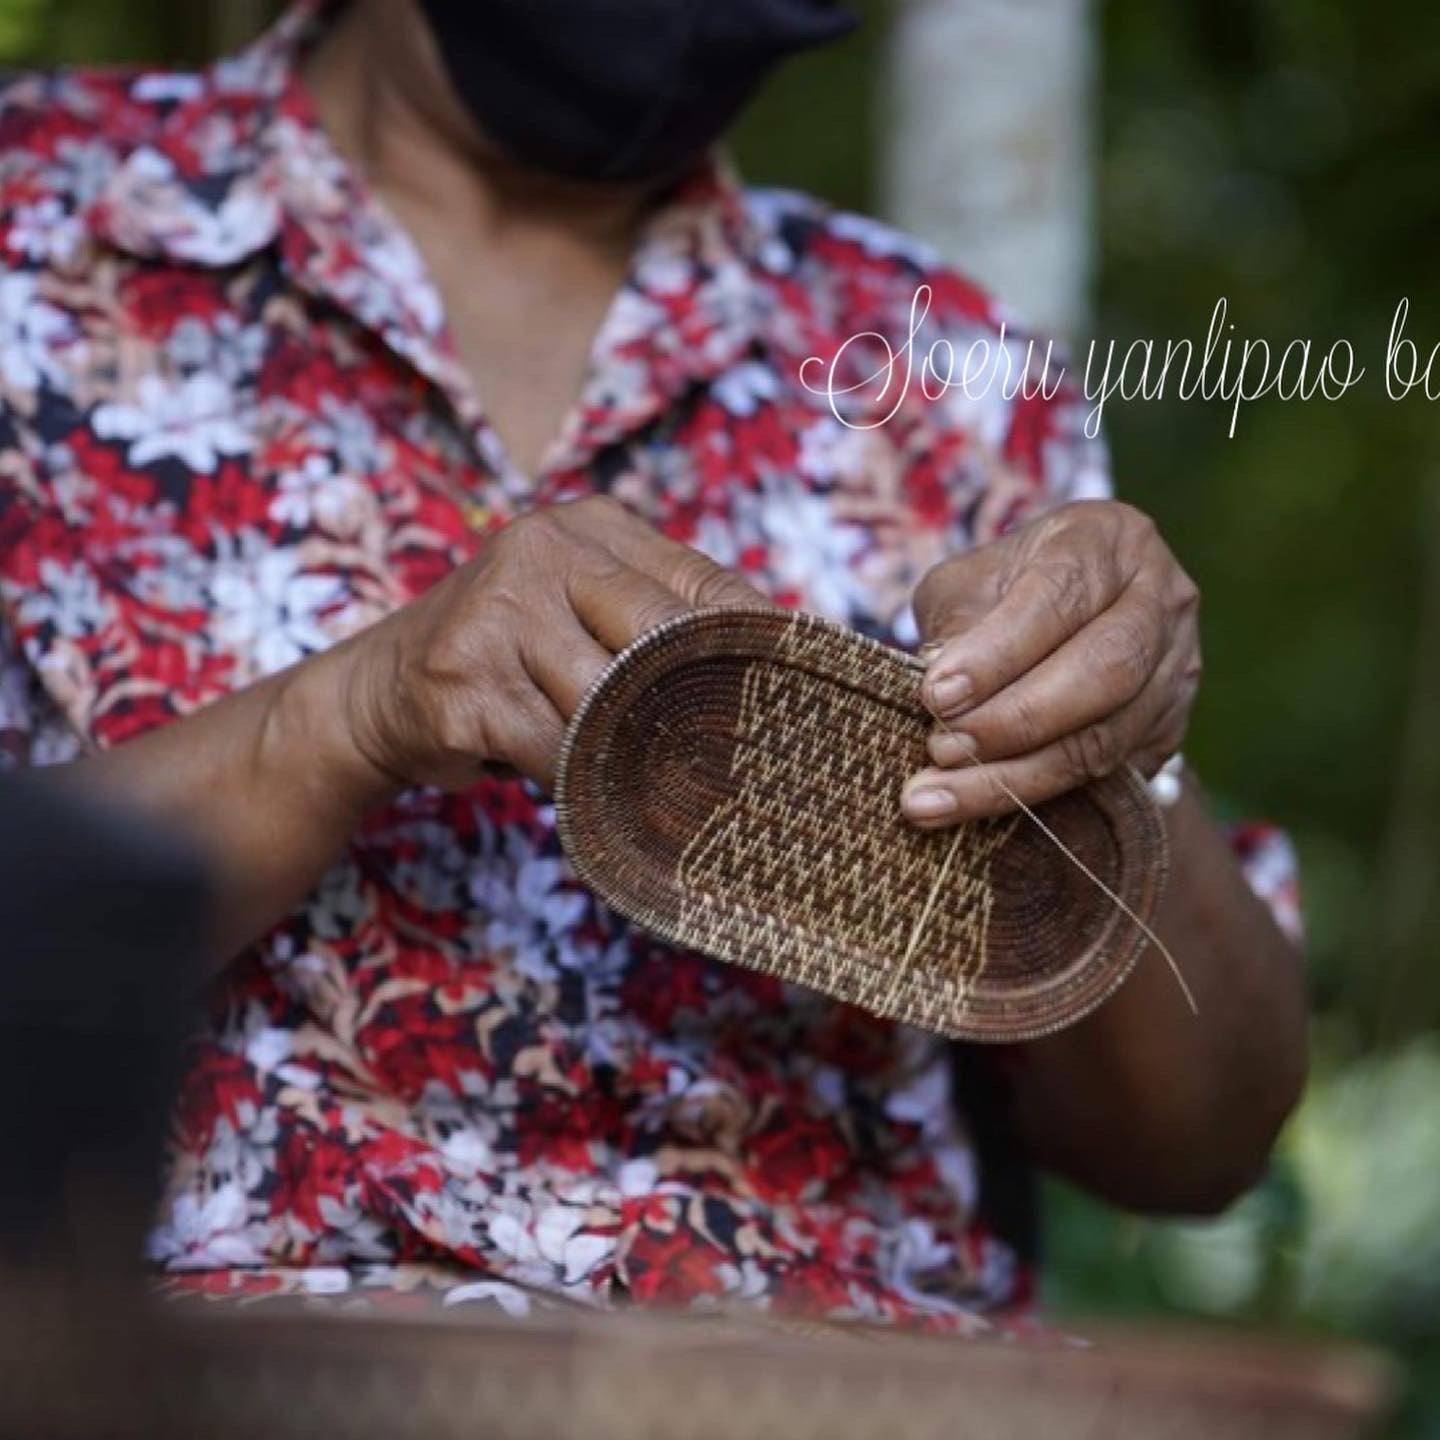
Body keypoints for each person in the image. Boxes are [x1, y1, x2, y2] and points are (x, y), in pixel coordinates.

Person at [0, 0, 1305, 1325]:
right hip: (213, 1364)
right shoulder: (36, 223)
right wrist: (347, 715)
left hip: (845, 1379)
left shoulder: (940, 373)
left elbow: (1198, 1151)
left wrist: (1121, 758)